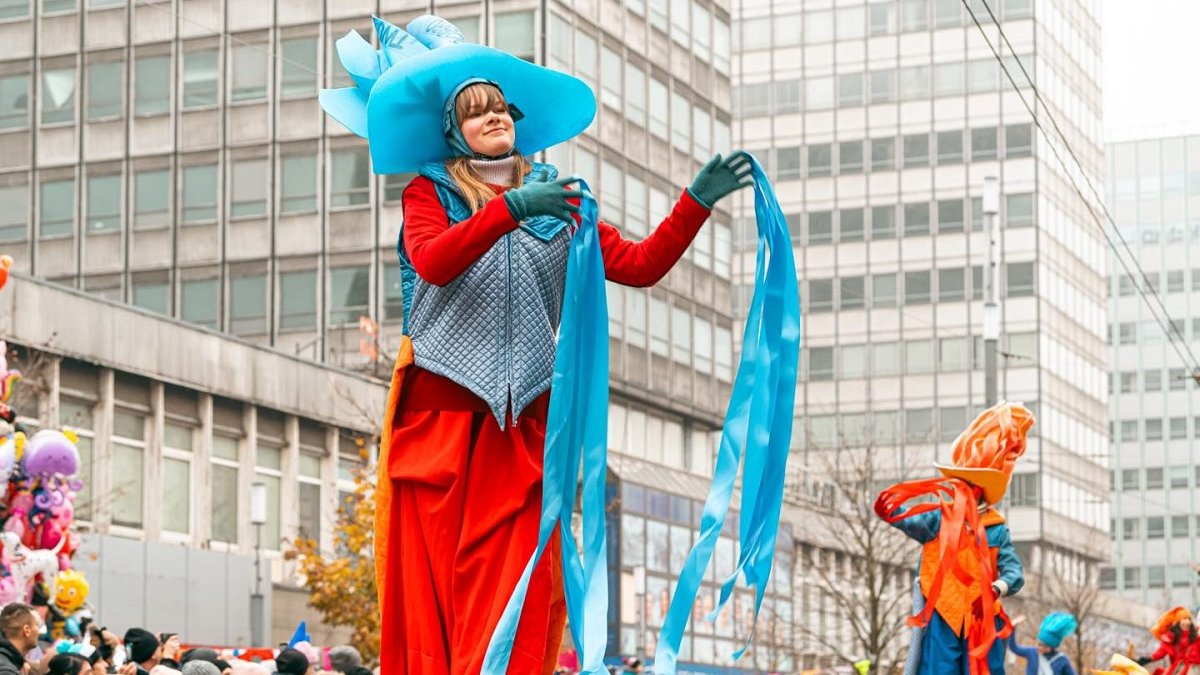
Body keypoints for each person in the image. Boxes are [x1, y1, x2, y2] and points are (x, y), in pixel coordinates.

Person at [319, 14, 753, 675]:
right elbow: (433, 261)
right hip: (442, 429)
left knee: (518, 603)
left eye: (500, 107)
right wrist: (511, 209)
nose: (493, 117)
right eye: (475, 111)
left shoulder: (560, 199)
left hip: (523, 435)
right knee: (443, 600)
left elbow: (637, 265)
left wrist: (694, 201)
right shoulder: (428, 193)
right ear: (452, 132)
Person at [876, 402, 1033, 675]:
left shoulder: (996, 529)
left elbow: (1014, 572)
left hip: (981, 619)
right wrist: (890, 508)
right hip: (942, 614)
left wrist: (997, 588)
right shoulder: (939, 519)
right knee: (938, 669)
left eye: (969, 485)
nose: (962, 491)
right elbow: (908, 521)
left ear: (981, 491)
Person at [1007, 613, 1078, 675]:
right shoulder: (1031, 652)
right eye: (1039, 644)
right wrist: (1012, 628)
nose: (1039, 647)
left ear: (1051, 646)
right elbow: (1013, 648)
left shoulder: (1061, 660)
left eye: (1043, 645)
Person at [1138, 607, 1200, 675]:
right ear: (1176, 623)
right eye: (1184, 619)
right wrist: (1149, 659)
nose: (1187, 622)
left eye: (1189, 619)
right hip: (1176, 671)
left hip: (1194, 670)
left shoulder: (1196, 638)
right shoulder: (1170, 640)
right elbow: (1161, 652)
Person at [0, 604, 40, 675]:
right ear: (27, 630)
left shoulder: (10, 662)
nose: (39, 632)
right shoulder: (7, 671)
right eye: (37, 625)